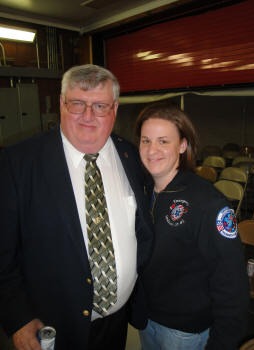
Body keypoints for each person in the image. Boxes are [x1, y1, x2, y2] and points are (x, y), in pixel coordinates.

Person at [0, 64, 153, 350]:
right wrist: (18, 317)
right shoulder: (18, 163)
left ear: (114, 109)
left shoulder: (131, 155)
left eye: (100, 106)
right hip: (53, 325)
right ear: (61, 103)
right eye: (77, 104)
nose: (88, 116)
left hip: (117, 320)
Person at [135, 100, 250, 350]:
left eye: (163, 141)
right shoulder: (141, 192)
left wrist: (222, 343)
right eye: (146, 140)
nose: (152, 149)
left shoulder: (208, 202)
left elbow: (232, 283)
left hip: (183, 332)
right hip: (146, 321)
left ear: (183, 145)